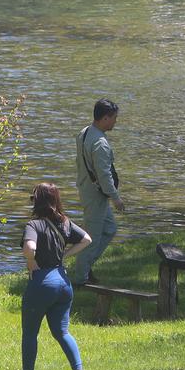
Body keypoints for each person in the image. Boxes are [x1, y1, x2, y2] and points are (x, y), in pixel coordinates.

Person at [16, 182, 92, 370]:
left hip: (42, 283)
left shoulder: (33, 225)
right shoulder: (65, 223)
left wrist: (31, 261)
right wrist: (65, 254)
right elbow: (86, 239)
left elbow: (30, 248)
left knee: (30, 332)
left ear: (37, 202)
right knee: (62, 331)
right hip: (63, 283)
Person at [73, 98, 122, 286]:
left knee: (110, 229)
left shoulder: (84, 132)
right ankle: (80, 279)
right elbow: (104, 175)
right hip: (96, 195)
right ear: (105, 118)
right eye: (114, 118)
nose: (115, 122)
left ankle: (86, 266)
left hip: (88, 190)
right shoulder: (100, 143)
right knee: (90, 239)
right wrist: (116, 198)